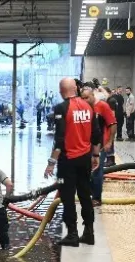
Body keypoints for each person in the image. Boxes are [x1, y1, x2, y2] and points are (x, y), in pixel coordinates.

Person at [44, 78, 103, 247]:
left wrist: (51, 163)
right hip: (85, 159)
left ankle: (72, 234)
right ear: (75, 89)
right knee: (85, 194)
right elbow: (96, 135)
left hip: (67, 162)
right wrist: (95, 156)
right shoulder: (88, 107)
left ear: (61, 90)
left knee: (67, 196)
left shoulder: (61, 108)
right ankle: (89, 233)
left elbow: (60, 140)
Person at [87, 86, 116, 207]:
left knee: (97, 170)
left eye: (87, 97)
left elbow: (113, 124)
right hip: (86, 145)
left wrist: (109, 142)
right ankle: (89, 193)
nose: (84, 100)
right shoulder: (84, 108)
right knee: (88, 170)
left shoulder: (103, 106)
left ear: (93, 95)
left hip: (101, 145)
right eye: (82, 97)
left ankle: (97, 198)